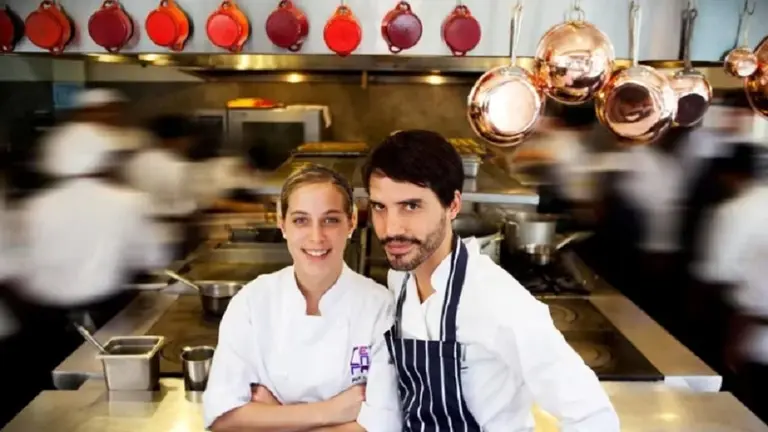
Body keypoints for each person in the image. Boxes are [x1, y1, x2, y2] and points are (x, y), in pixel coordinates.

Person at [361, 130, 619, 431]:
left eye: (411, 206)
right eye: (380, 206)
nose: (391, 228)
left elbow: (594, 417)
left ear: (453, 206)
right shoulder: (400, 282)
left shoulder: (496, 299)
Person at [203, 164, 401, 432]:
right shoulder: (252, 303)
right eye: (300, 220)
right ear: (281, 223)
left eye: (330, 220)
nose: (316, 237)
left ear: (351, 221)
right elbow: (222, 419)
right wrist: (331, 411)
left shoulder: (379, 308)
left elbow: (382, 427)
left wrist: (270, 417)